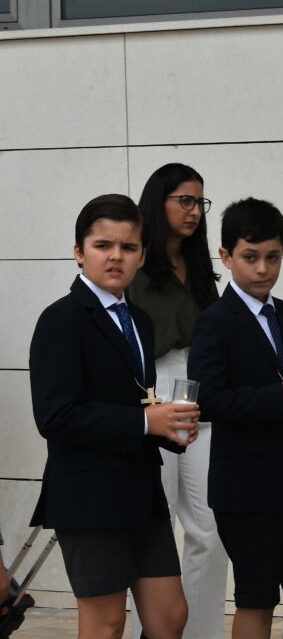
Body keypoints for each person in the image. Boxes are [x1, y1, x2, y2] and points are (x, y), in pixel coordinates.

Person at [29, 194, 198, 639]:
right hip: (88, 495)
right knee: (105, 624)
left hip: (139, 490)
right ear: (79, 252)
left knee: (169, 617)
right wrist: (146, 423)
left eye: (128, 247)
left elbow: (135, 401)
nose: (116, 256)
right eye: (103, 245)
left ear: (142, 254)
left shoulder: (138, 319)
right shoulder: (60, 320)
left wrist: (167, 427)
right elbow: (55, 416)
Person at [188, 198, 283, 639]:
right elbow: (210, 401)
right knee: (257, 599)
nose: (262, 269)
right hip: (244, 483)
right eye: (250, 257)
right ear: (226, 256)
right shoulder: (213, 322)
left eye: (272, 257)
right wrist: (282, 394)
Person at [127, 163, 228, 639]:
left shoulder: (201, 264)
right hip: (153, 392)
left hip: (202, 395)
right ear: (159, 201)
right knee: (158, 524)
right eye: (184, 201)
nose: (194, 211)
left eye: (199, 203)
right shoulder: (136, 262)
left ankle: (201, 633)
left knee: (211, 529)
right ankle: (157, 630)